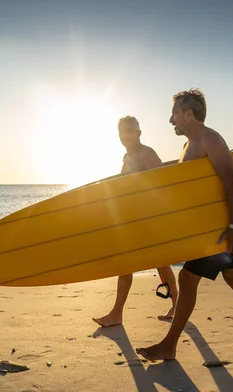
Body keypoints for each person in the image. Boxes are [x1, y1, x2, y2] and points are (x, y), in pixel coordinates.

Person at [135, 89, 233, 361]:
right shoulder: (189, 145)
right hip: (211, 226)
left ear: (188, 113)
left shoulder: (210, 139)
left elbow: (231, 182)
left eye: (174, 113)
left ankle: (169, 345)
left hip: (218, 229)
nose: (170, 119)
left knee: (187, 278)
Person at [92, 116, 178, 327]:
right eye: (122, 131)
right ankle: (176, 307)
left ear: (139, 133)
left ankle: (117, 313)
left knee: (131, 264)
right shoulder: (127, 156)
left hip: (148, 220)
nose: (126, 135)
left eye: (130, 131)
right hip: (135, 219)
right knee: (160, 264)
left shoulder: (147, 154)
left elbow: (163, 183)